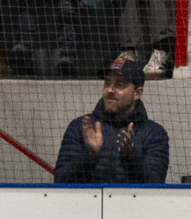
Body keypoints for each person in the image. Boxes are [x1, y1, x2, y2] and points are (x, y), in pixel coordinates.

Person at [53, 53, 170, 185]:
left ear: (137, 93)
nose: (110, 90)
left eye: (119, 85)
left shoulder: (155, 134)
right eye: (107, 83)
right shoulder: (79, 126)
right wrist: (90, 155)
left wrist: (130, 158)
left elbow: (156, 185)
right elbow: (61, 181)